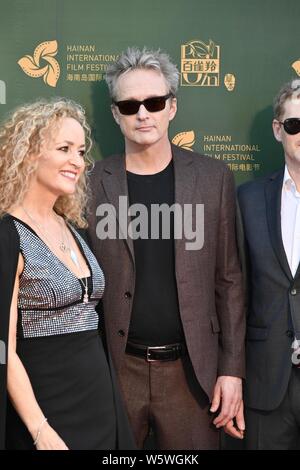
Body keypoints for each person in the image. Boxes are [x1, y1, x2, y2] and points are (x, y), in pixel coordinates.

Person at [87, 47, 245, 449]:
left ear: (171, 107)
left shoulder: (213, 178)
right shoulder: (89, 184)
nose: (143, 113)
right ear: (115, 114)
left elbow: (229, 281)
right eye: (130, 104)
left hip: (193, 374)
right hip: (116, 373)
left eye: (154, 102)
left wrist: (231, 370)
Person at [0, 97, 135, 450]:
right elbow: (4, 350)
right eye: (64, 149)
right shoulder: (7, 234)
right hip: (46, 409)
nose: (77, 161)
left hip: (100, 404)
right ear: (29, 154)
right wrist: (40, 430)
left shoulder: (73, 227)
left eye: (80, 151)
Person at [237, 78, 300, 449]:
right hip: (265, 387)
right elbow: (234, 292)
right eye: (295, 125)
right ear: (278, 130)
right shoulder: (247, 199)